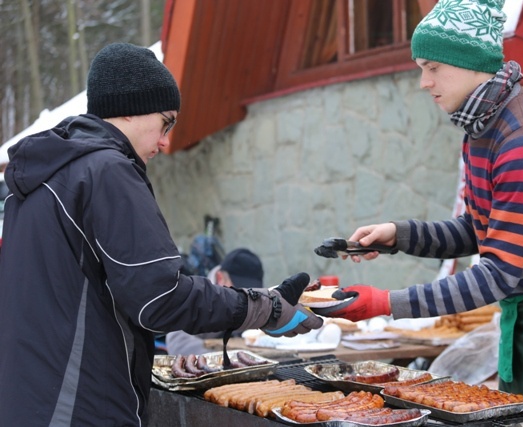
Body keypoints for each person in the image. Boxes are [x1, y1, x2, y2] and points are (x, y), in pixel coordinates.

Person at [320, 1, 523, 425]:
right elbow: (480, 228)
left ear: (469, 64)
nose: (423, 82)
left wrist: (386, 302)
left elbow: (497, 273)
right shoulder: (484, 124)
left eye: (432, 67)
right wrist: (400, 235)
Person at [0, 43, 322, 426]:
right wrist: (262, 307)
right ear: (130, 109)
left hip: (29, 402)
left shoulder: (41, 177)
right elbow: (159, 299)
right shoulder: (107, 171)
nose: (167, 142)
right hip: (82, 408)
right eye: (166, 122)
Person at [166, 247, 265, 355]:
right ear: (220, 277)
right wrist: (218, 359)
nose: (244, 295)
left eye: (249, 290)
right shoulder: (201, 298)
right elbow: (176, 338)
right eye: (238, 288)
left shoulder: (255, 298)